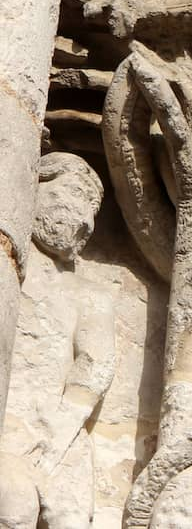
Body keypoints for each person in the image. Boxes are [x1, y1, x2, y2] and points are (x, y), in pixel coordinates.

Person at [0, 153, 116, 528]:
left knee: (70, 515)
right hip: (11, 414)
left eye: (92, 207)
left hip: (59, 425)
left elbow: (97, 362)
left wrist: (59, 424)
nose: (84, 217)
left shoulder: (88, 293)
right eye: (72, 194)